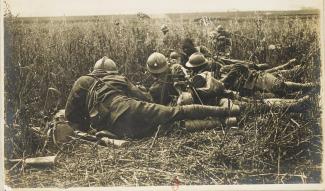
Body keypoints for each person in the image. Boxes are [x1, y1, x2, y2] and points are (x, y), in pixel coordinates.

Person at [65, 56, 240, 139]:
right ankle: (228, 112)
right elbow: (146, 99)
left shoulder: (82, 81)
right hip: (131, 108)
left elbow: (71, 115)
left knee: (169, 128)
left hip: (111, 125)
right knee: (177, 113)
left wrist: (85, 125)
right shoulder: (118, 79)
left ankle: (226, 122)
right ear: (113, 71)